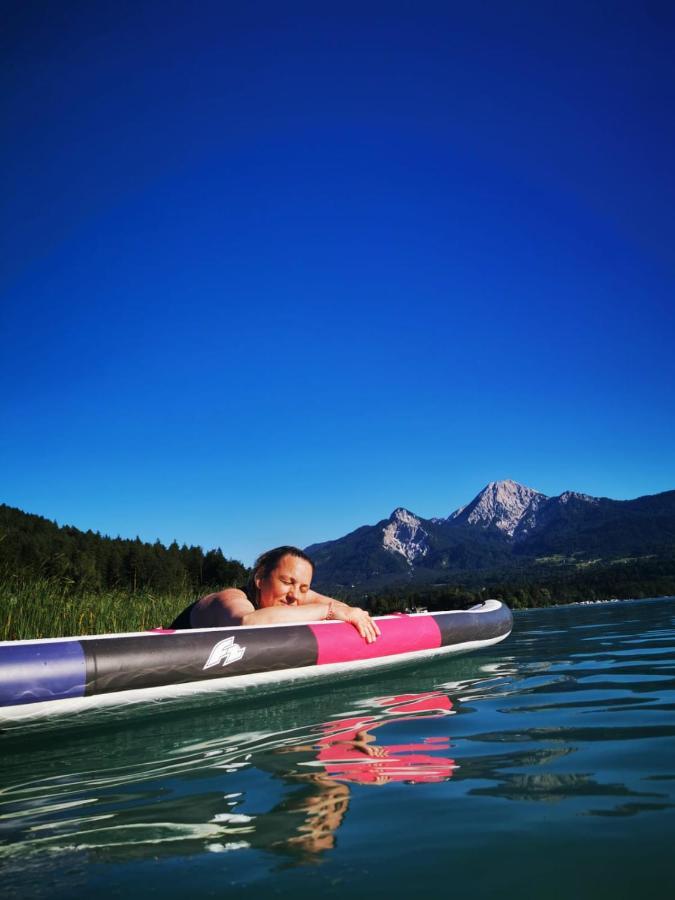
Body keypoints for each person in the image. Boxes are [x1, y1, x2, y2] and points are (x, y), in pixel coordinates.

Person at [169, 545, 381, 643]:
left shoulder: (293, 597)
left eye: (303, 588)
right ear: (260, 578)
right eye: (287, 582)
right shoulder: (230, 598)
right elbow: (247, 623)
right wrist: (328, 611)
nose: (294, 595)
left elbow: (346, 610)